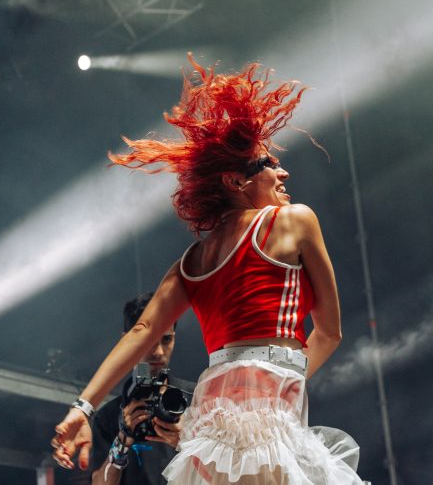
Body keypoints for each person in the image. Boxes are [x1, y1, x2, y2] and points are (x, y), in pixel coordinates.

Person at [52, 55, 364, 484]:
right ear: (235, 181)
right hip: (267, 405)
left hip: (213, 407)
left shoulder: (191, 262)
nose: (283, 171)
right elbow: (329, 333)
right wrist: (282, 376)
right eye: (269, 164)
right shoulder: (293, 220)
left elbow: (142, 331)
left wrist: (82, 407)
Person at [90, 292, 190, 484]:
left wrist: (188, 441)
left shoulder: (199, 399)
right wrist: (122, 441)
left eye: (166, 340)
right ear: (126, 343)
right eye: (148, 340)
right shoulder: (108, 417)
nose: (158, 352)